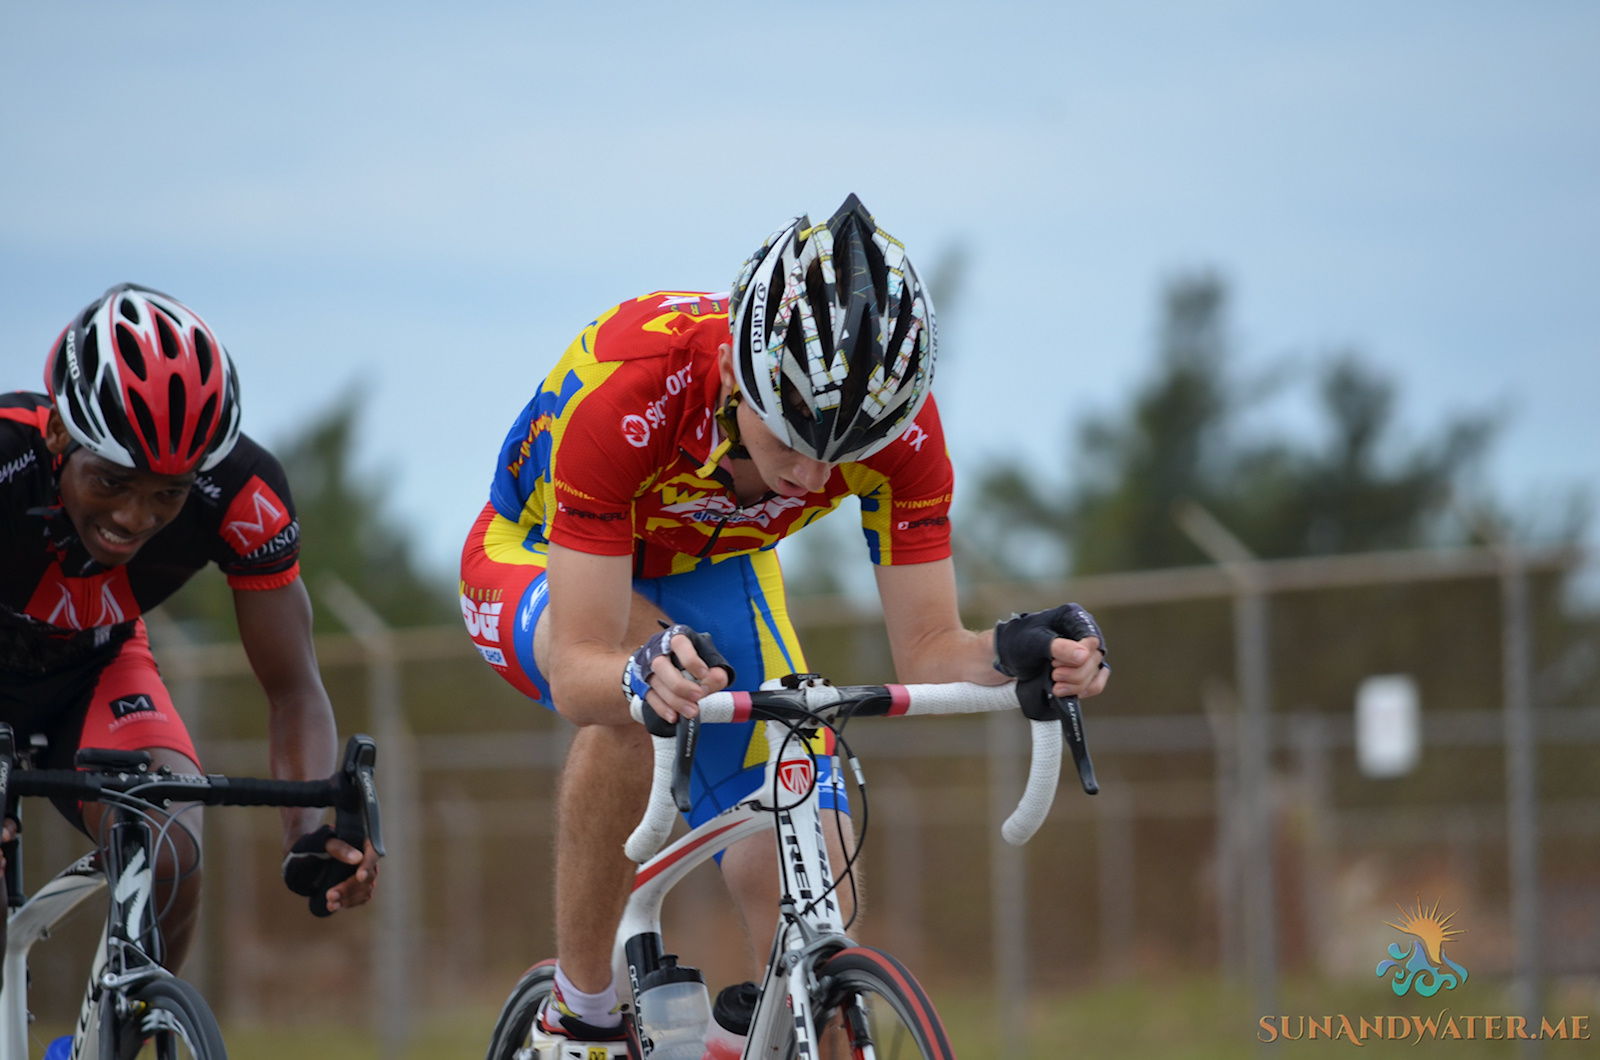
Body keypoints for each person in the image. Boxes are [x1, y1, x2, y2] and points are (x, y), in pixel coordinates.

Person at [459, 195, 1109, 1053]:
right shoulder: (631, 390)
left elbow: (927, 650)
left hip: (713, 563)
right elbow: (584, 659)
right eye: (793, 440)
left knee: (807, 859)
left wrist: (1019, 650)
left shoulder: (902, 436)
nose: (810, 477)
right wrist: (635, 678)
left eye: (842, 454)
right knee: (634, 703)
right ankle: (580, 1015)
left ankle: (791, 1017)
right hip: (544, 554)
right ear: (737, 375)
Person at [0, 283, 380, 978]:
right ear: (57, 433)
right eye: (112, 481)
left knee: (170, 840)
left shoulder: (241, 493)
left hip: (94, 668)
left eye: (167, 492)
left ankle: (124, 1032)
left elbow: (294, 689)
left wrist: (310, 831)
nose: (137, 517)